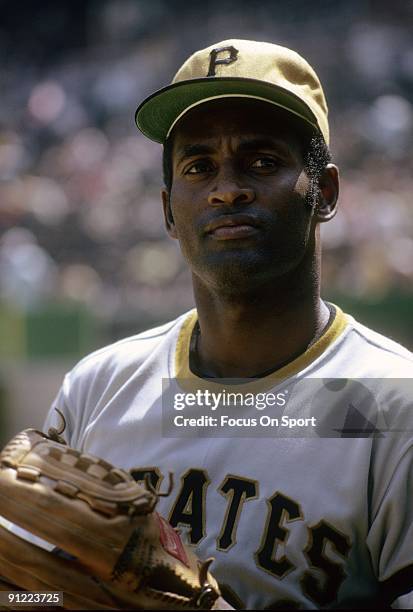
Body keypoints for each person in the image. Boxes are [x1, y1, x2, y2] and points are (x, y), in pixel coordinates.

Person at [11, 40, 413, 609]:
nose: (228, 188)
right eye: (199, 167)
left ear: (324, 192)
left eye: (263, 161)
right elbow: (33, 597)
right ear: (169, 211)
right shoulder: (98, 388)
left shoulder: (394, 404)